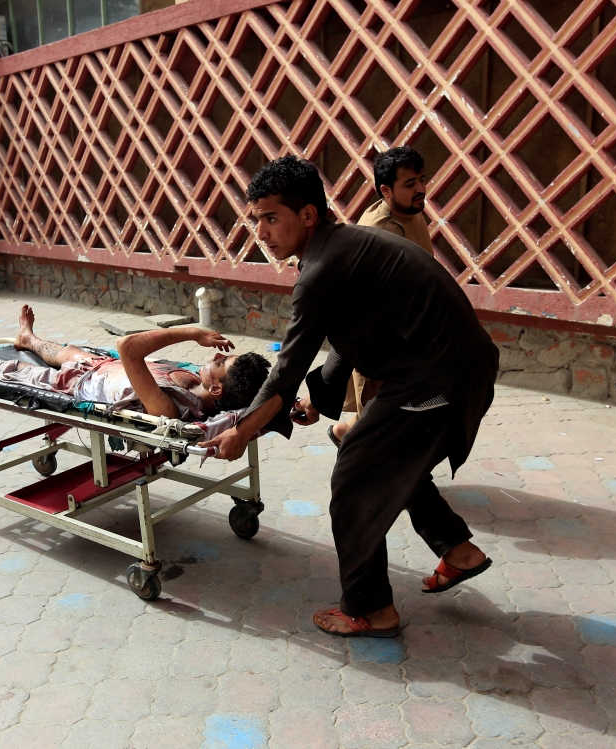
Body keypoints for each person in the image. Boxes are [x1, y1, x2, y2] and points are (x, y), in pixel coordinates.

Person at [201, 156, 499, 638]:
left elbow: (286, 369)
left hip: (437, 380)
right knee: (369, 451)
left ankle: (371, 609)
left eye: (271, 218)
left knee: (354, 483)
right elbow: (347, 337)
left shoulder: (321, 270)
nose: (261, 231)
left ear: (309, 216)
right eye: (256, 219)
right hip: (442, 370)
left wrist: (241, 430)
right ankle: (457, 551)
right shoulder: (343, 248)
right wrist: (320, 398)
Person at [0, 305, 271, 419]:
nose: (217, 354)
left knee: (12, 371)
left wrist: (191, 331)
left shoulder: (170, 407)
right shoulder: (196, 379)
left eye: (222, 362)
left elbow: (128, 347)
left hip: (77, 386)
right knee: (62, 350)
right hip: (96, 365)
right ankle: (27, 339)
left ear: (216, 387)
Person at [329, 146, 435, 447]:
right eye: (410, 184)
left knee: (394, 419)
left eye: (422, 179)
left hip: (411, 341)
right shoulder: (375, 233)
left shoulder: (413, 214)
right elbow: (358, 306)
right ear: (386, 190)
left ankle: (345, 434)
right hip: (379, 347)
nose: (421, 189)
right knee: (377, 426)